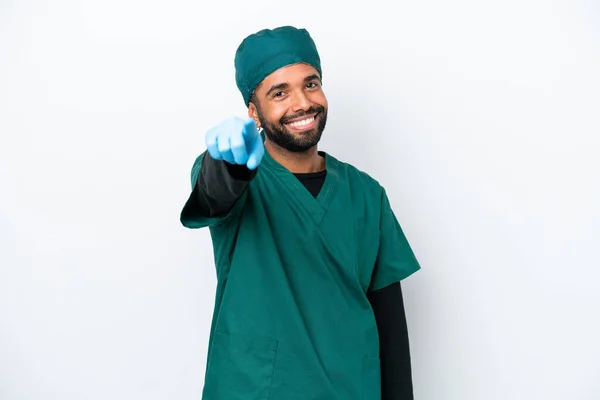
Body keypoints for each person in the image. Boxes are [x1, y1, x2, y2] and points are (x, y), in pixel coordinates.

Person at [180, 25, 421, 400]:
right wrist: (229, 164)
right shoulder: (240, 176)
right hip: (255, 389)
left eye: (311, 84)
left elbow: (391, 329)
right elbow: (215, 196)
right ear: (253, 111)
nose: (302, 103)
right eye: (279, 92)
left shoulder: (366, 195)